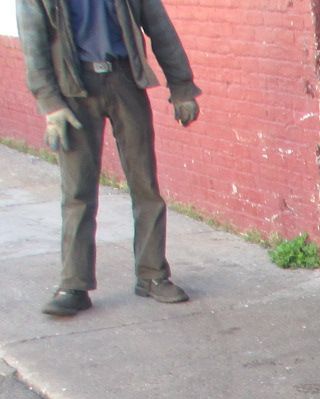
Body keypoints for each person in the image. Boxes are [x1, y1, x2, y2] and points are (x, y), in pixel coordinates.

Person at [17, 0, 201, 317]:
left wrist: (181, 85)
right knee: (77, 192)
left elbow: (160, 28)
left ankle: (153, 275)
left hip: (125, 80)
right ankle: (73, 285)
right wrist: (50, 103)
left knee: (145, 185)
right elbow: (33, 43)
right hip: (73, 89)